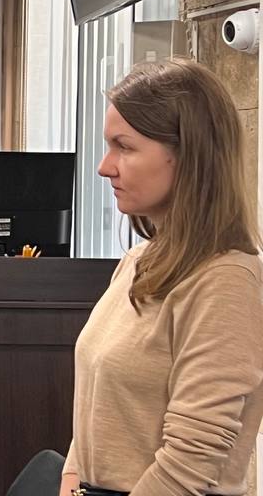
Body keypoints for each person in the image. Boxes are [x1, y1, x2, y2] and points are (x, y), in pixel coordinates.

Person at [60, 59, 263, 496]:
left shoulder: (226, 280)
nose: (105, 167)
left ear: (189, 155)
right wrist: (72, 480)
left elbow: (192, 461)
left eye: (124, 147)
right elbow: (96, 411)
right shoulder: (136, 261)